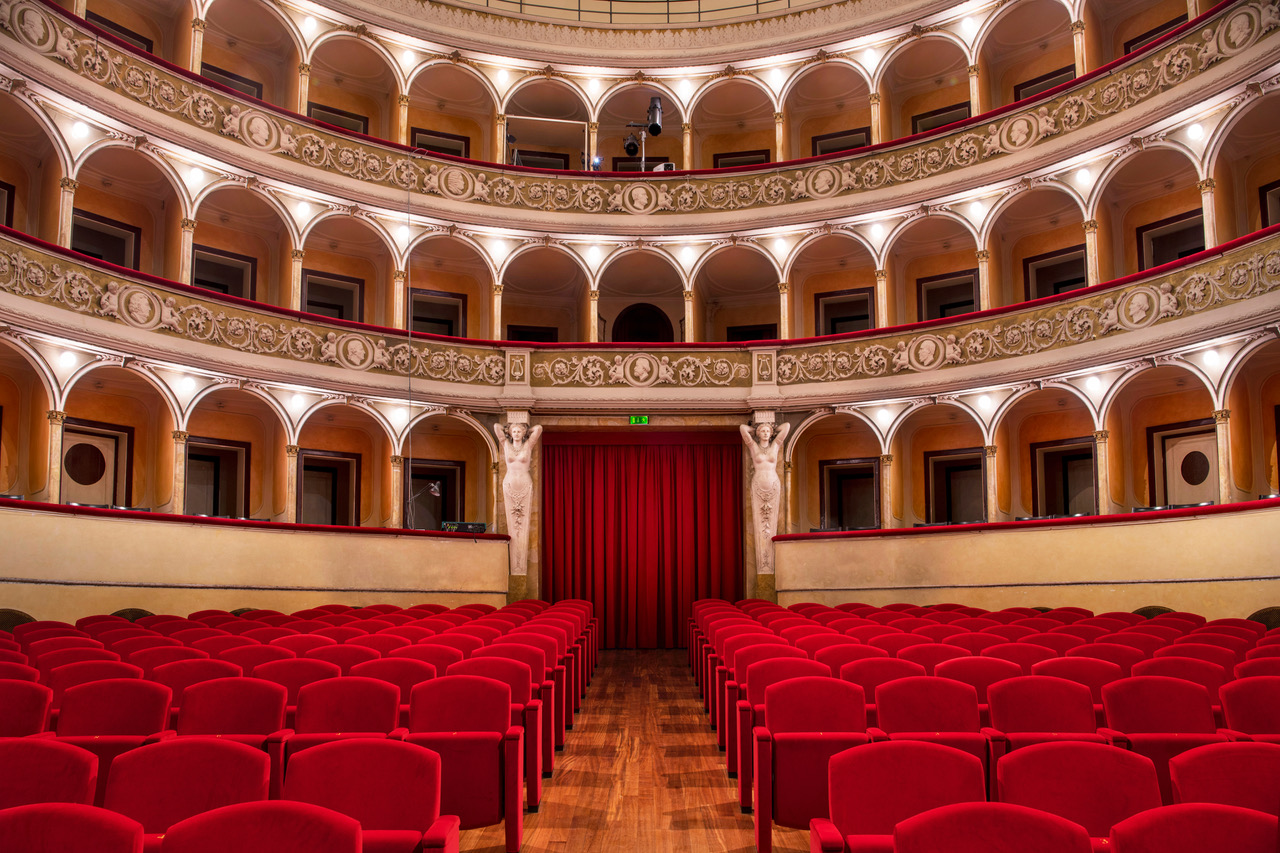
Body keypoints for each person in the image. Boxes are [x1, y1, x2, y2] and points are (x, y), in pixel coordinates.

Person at [740, 419, 790, 575]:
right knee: (760, 524)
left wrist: (772, 428)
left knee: (770, 524)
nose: (766, 433)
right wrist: (755, 428)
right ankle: (764, 569)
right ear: (758, 433)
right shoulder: (753, 446)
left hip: (773, 485)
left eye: (768, 431)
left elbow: (786, 427)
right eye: (763, 431)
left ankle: (767, 568)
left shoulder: (775, 445)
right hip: (758, 486)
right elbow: (742, 428)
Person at [494, 421, 543, 576]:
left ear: (523, 433)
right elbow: (496, 427)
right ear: (509, 433)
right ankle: (516, 568)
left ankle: (519, 568)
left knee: (523, 522)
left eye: (519, 432)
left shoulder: (528, 445)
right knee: (513, 522)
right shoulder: (506, 445)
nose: (516, 434)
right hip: (509, 484)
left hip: (524, 483)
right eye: (513, 431)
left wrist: (526, 431)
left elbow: (539, 428)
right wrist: (509, 428)